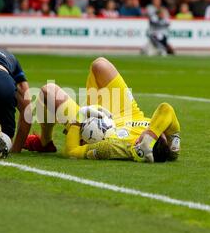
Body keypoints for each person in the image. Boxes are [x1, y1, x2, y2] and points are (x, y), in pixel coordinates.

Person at [24, 57, 181, 163]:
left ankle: (45, 142)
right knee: (100, 65)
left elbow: (71, 152)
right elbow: (166, 109)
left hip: (93, 124)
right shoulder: (157, 135)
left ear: (140, 148)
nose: (161, 134)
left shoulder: (114, 148)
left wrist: (79, 118)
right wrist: (166, 137)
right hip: (129, 112)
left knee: (48, 90)